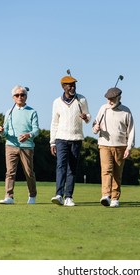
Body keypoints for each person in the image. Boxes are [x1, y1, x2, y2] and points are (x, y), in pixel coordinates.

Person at [50, 74, 91, 206]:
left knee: (72, 168)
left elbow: (88, 117)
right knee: (60, 166)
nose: (73, 87)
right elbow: (54, 123)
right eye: (70, 85)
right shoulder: (56, 102)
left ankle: (69, 197)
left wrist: (85, 117)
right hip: (61, 138)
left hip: (76, 138)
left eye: (74, 84)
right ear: (63, 87)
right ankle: (59, 195)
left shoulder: (81, 100)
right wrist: (52, 142)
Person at [92, 87, 135, 208]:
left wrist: (129, 147)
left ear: (119, 98)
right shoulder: (103, 108)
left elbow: (131, 131)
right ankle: (105, 195)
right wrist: (95, 128)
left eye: (112, 99)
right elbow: (95, 124)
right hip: (104, 144)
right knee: (106, 170)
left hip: (121, 146)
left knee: (117, 173)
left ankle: (115, 198)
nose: (110, 101)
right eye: (108, 99)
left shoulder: (126, 111)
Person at [0, 85, 40, 204]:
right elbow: (5, 131)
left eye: (22, 95)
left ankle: (32, 195)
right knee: (10, 172)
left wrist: (28, 135)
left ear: (26, 97)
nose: (20, 97)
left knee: (29, 172)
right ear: (13, 97)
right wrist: (1, 132)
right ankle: (9, 197)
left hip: (27, 147)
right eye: (17, 95)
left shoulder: (32, 112)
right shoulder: (9, 112)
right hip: (10, 145)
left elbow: (36, 130)